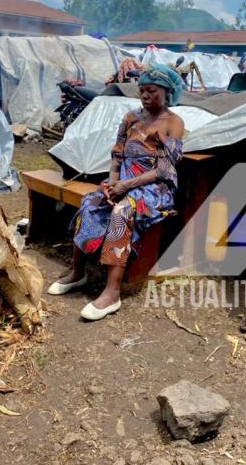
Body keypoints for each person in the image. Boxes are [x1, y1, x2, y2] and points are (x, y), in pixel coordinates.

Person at [47, 65, 186, 320]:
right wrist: (112, 183)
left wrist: (126, 187)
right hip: (124, 181)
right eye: (142, 90)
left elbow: (165, 169)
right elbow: (117, 155)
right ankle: (78, 272)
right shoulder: (131, 118)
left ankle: (112, 292)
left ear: (167, 92)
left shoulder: (174, 123)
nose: (145, 96)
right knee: (91, 201)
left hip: (155, 188)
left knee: (123, 210)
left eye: (151, 91)